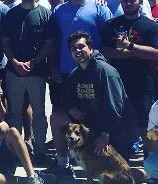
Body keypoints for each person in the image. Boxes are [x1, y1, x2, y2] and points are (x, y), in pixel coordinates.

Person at [46, 0, 113, 173]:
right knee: (63, 116)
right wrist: (53, 67)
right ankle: (63, 161)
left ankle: (92, 159)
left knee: (93, 116)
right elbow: (54, 42)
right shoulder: (58, 11)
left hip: (93, 74)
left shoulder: (100, 9)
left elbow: (109, 40)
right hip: (66, 73)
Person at [59, 31, 140, 165]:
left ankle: (143, 174)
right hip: (94, 129)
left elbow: (115, 108)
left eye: (81, 46)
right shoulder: (75, 75)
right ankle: (63, 163)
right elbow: (65, 98)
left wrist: (105, 134)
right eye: (73, 48)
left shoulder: (105, 71)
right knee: (57, 118)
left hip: (118, 132)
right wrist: (70, 109)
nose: (77, 50)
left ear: (90, 48)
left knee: (116, 174)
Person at [100, 0, 158, 145]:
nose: (128, 4)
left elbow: (155, 53)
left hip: (143, 81)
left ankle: (152, 156)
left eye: (132, 1)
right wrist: (136, 53)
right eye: (125, 1)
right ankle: (121, 158)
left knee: (146, 122)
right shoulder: (111, 25)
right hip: (117, 81)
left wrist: (130, 47)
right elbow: (106, 51)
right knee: (119, 122)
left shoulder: (150, 25)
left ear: (140, 2)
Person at [0, 0, 53, 159]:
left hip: (37, 71)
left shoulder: (45, 13)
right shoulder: (10, 14)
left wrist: (34, 61)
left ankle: (39, 149)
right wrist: (13, 61)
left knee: (39, 112)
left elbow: (49, 43)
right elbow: (5, 41)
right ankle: (17, 148)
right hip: (14, 71)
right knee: (14, 112)